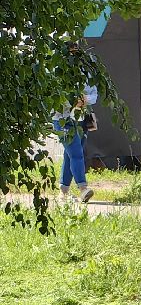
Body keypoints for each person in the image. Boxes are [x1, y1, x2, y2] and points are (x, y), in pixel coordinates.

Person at [52, 52, 98, 203]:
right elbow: (54, 95)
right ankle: (83, 189)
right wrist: (71, 102)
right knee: (76, 153)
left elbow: (94, 95)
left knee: (70, 154)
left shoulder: (87, 73)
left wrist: (85, 100)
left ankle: (63, 192)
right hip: (63, 119)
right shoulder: (59, 70)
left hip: (81, 119)